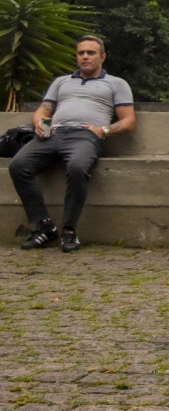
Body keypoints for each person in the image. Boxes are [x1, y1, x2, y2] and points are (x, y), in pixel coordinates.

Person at [9, 35, 136, 252]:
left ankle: (69, 231)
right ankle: (44, 226)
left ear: (102, 57)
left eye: (91, 52)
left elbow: (129, 121)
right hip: (53, 134)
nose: (85, 56)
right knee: (18, 166)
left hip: (85, 136)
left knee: (77, 168)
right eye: (81, 53)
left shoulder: (116, 83)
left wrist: (104, 130)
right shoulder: (61, 82)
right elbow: (43, 109)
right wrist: (39, 122)